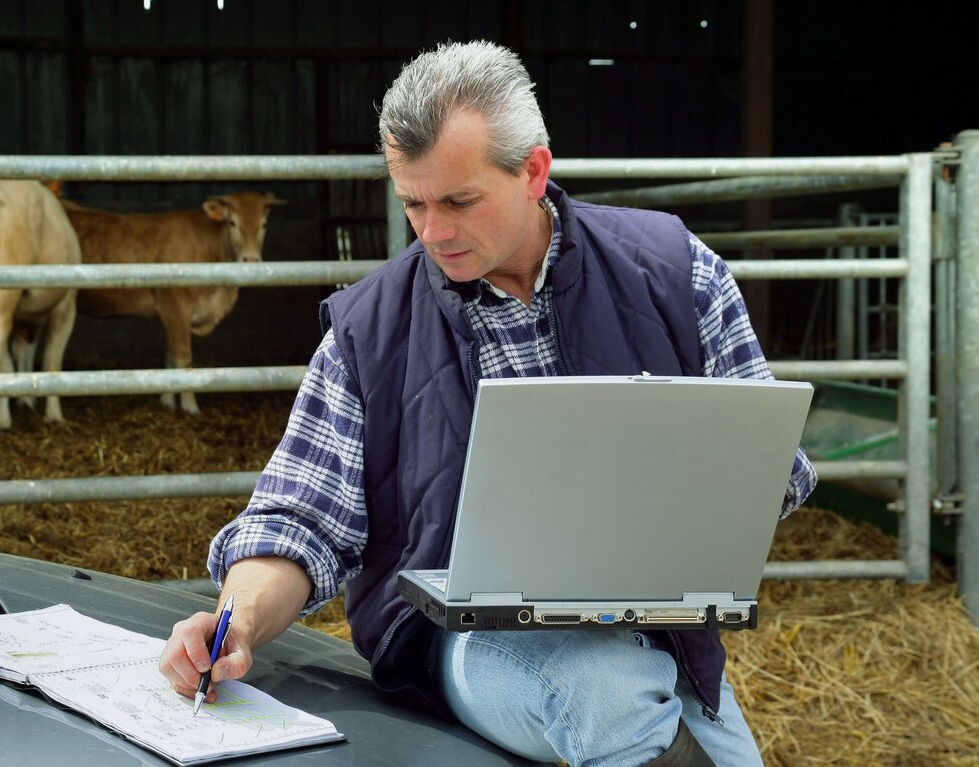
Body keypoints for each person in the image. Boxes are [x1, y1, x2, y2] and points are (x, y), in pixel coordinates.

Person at [159, 40, 817, 767]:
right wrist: (237, 620)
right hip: (461, 642)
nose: (433, 231)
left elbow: (769, 466)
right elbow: (300, 517)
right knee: (604, 689)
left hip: (658, 627)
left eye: (458, 201)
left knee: (663, 709)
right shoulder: (368, 330)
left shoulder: (674, 268)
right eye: (413, 202)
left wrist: (709, 497)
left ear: (534, 170)